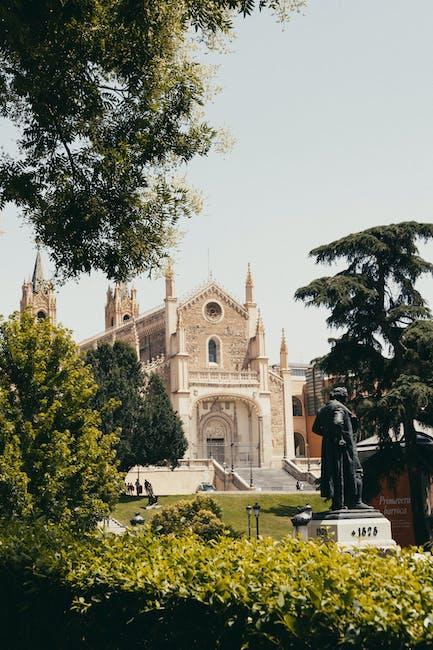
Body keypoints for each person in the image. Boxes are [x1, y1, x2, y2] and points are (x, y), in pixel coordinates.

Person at [312, 386, 370, 511]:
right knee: (356, 471)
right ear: (342, 397)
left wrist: (328, 436)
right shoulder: (339, 407)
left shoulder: (323, 409)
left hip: (329, 447)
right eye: (345, 396)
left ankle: (337, 503)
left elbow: (315, 429)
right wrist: (339, 437)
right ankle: (356, 501)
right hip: (345, 447)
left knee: (336, 473)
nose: (346, 399)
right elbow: (337, 422)